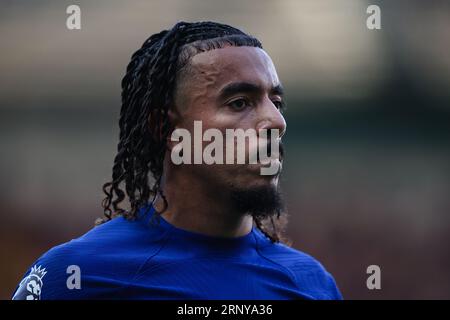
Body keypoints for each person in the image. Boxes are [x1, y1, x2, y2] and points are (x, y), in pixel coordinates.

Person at [12, 21, 342, 300]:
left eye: (277, 101)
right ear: (166, 128)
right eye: (240, 103)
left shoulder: (312, 285)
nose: (276, 121)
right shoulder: (78, 276)